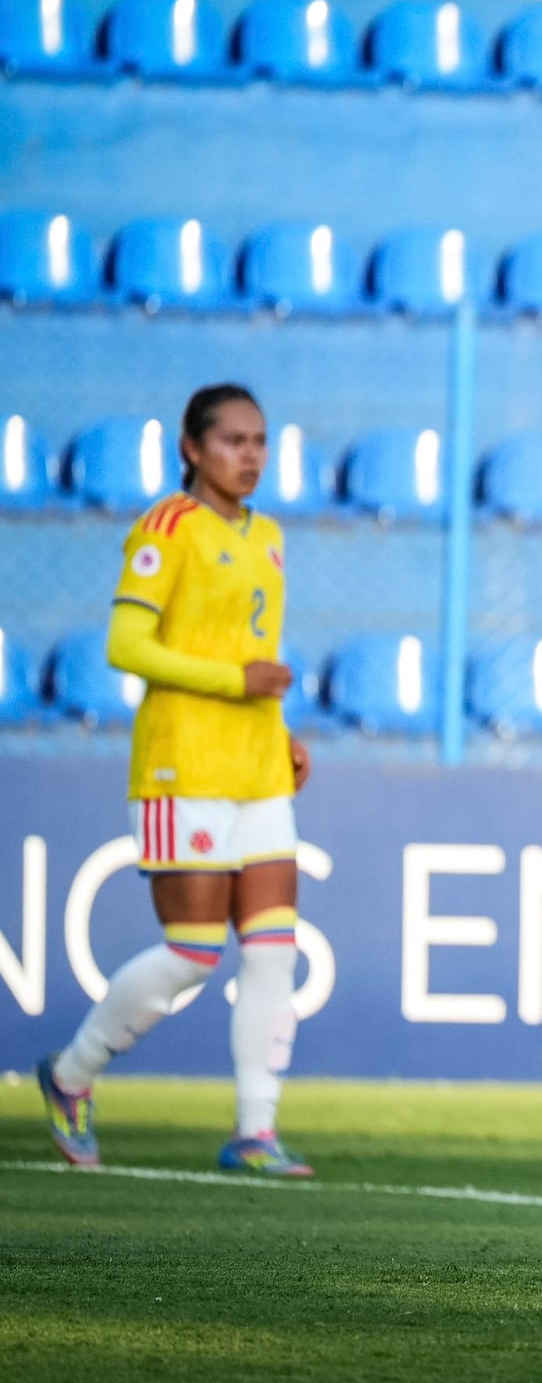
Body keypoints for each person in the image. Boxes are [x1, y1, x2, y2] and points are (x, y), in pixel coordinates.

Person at [37, 385, 313, 1179]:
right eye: (232, 441)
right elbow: (126, 645)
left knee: (272, 952)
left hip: (258, 766)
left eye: (260, 441)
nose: (250, 455)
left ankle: (255, 1132)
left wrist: (280, 731)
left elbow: (253, 649)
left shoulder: (269, 535)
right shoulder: (165, 529)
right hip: (181, 764)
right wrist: (236, 682)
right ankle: (70, 1075)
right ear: (191, 447)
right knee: (193, 955)